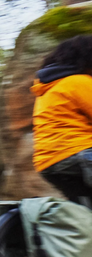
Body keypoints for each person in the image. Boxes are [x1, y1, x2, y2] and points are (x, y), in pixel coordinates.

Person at [31, 34, 92, 204]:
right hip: (79, 153)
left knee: (86, 216)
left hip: (48, 163)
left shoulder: (50, 88)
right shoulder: (78, 82)